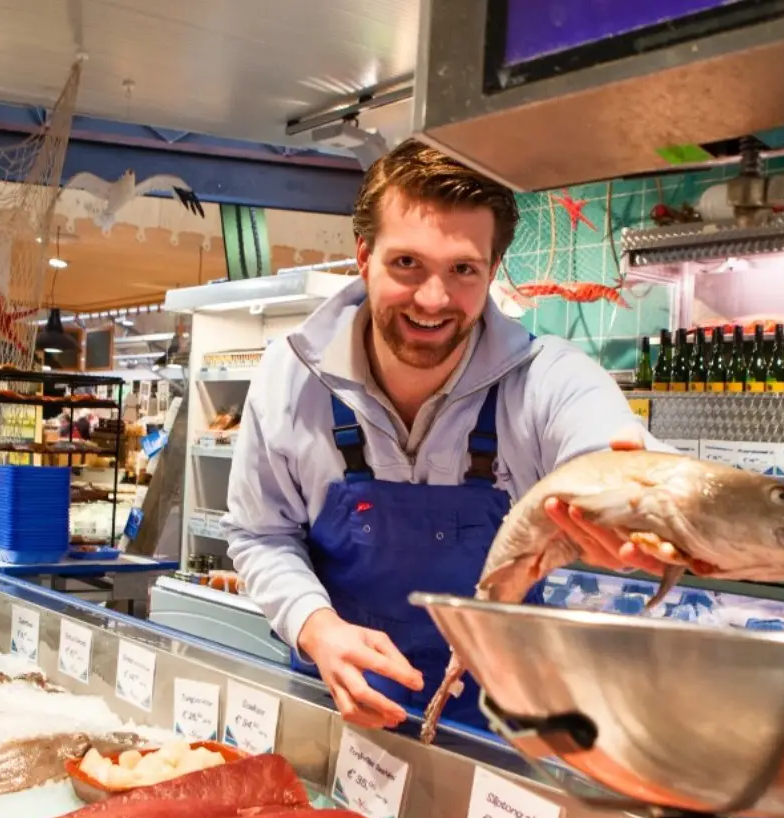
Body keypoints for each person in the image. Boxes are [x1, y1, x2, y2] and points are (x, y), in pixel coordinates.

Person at [223, 139, 672, 733]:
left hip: (501, 730)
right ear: (364, 256)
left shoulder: (548, 381)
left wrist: (643, 502)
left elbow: (622, 461)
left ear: (492, 270)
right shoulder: (290, 376)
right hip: (337, 713)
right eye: (407, 263)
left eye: (463, 270)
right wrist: (315, 627)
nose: (433, 300)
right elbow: (260, 534)